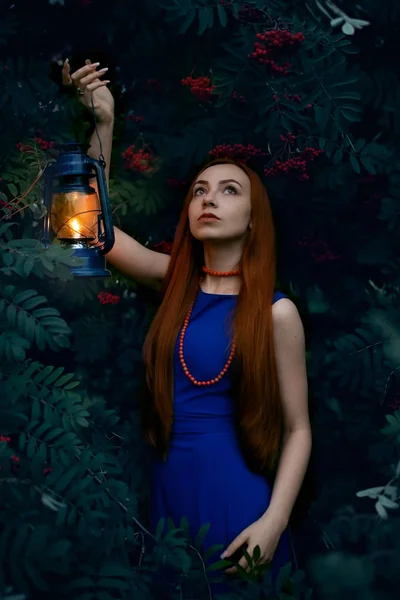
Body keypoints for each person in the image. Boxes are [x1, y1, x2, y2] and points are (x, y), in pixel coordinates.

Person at [62, 59, 312, 592]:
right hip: (168, 498)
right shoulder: (173, 282)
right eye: (199, 190)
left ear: (253, 216)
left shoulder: (275, 312)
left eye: (228, 190)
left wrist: (274, 522)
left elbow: (298, 430)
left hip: (240, 508)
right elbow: (82, 229)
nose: (209, 199)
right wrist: (103, 123)